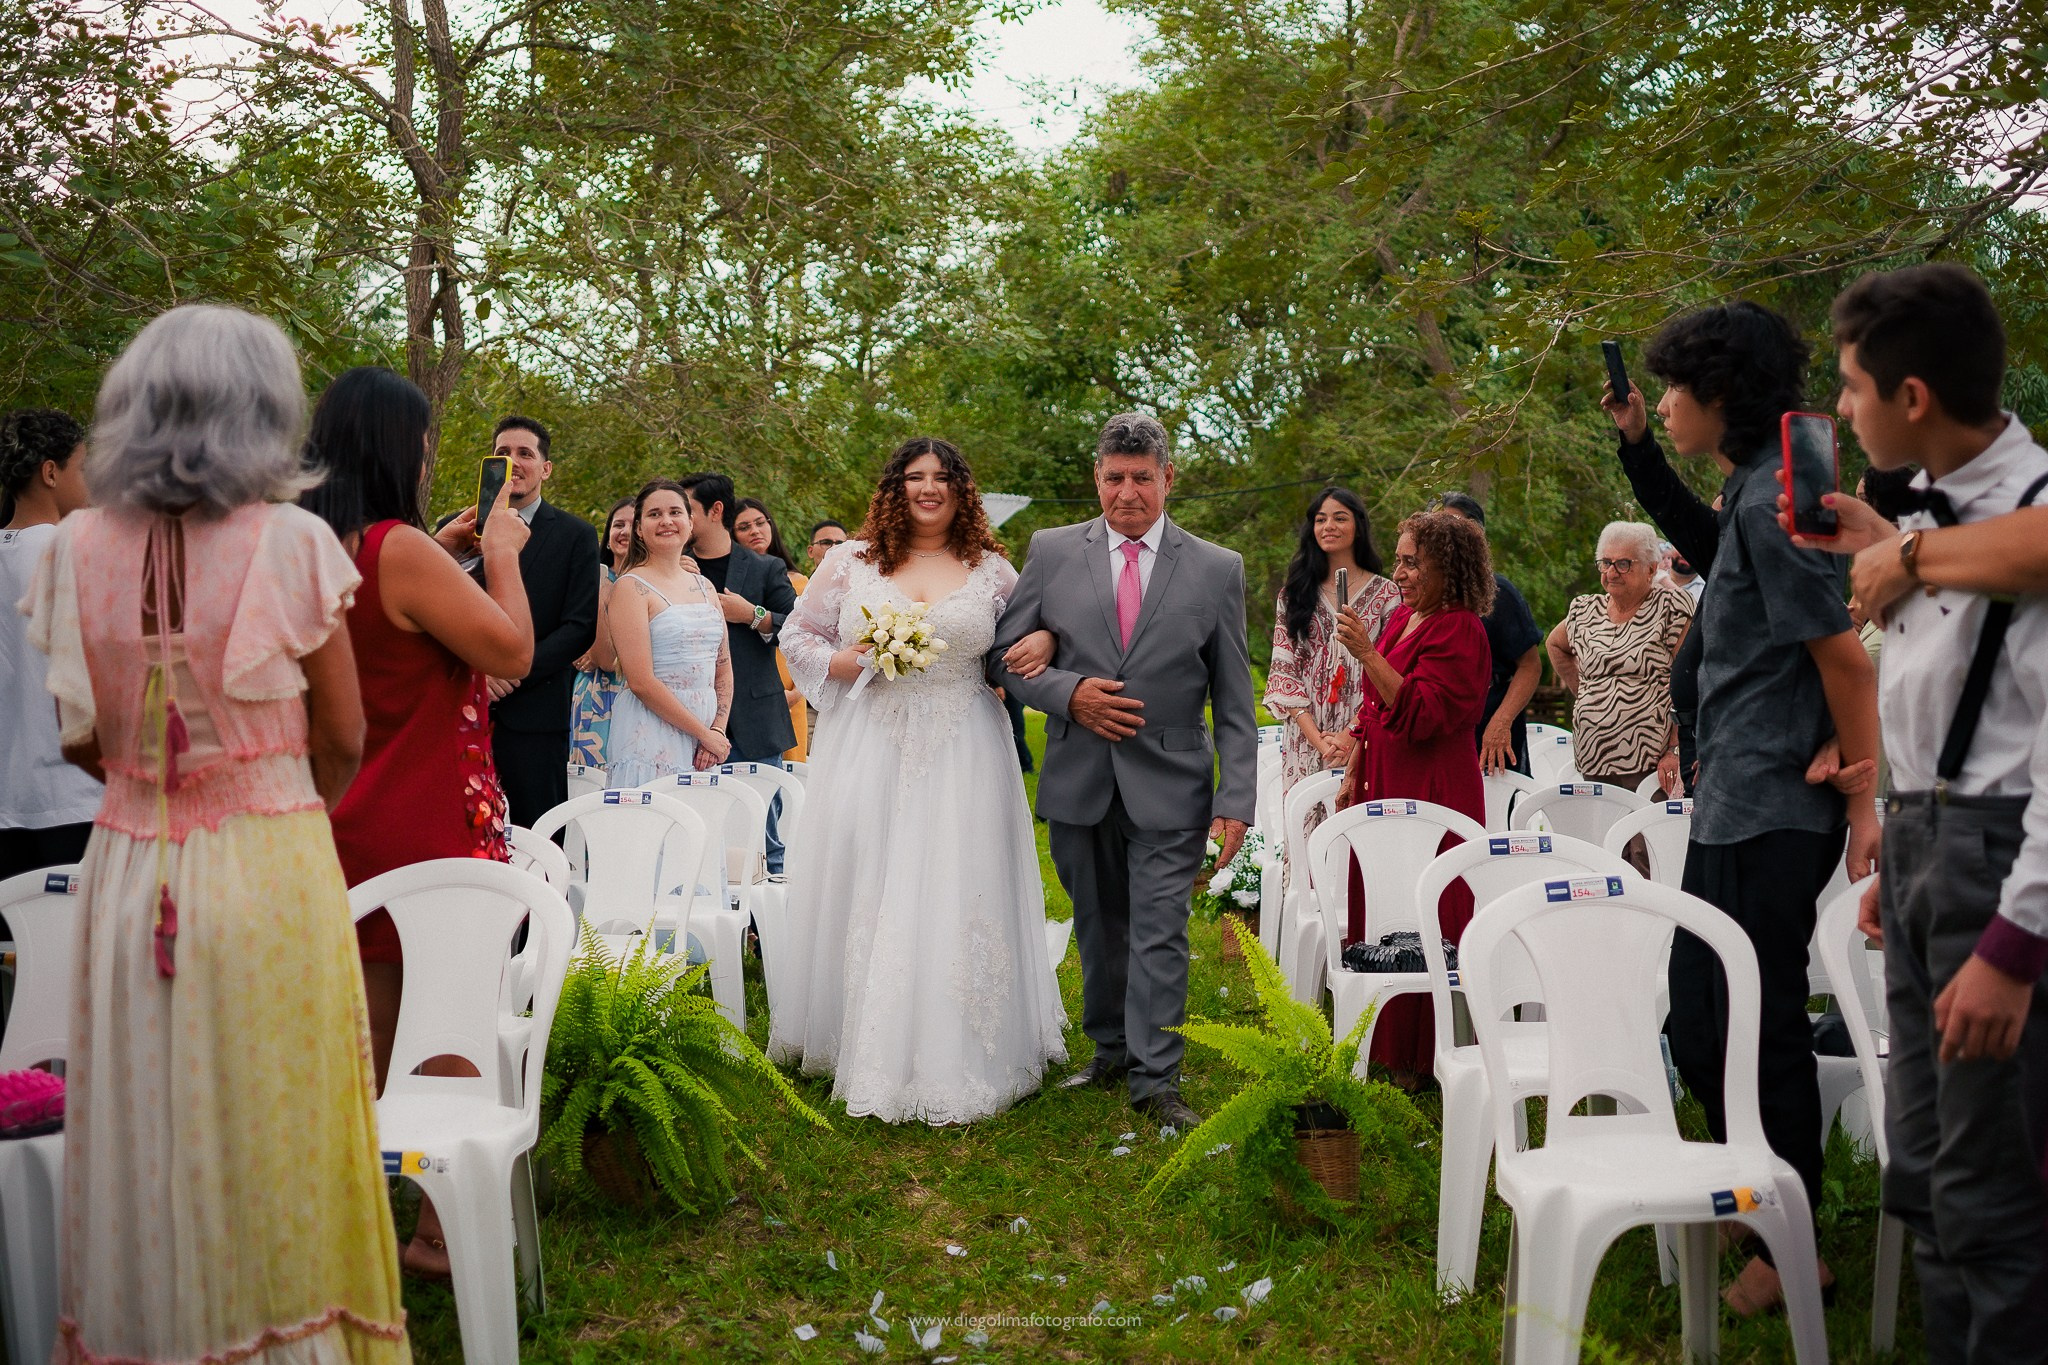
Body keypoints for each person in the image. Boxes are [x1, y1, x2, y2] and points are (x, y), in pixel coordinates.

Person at [23, 304, 408, 1363]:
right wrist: (275, 795)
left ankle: (160, 1331)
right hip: (269, 852)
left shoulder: (72, 547)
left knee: (148, 1119)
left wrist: (159, 788)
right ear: (263, 410)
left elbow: (84, 744)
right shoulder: (289, 541)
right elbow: (341, 732)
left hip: (127, 859)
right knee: (278, 1119)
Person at [1786, 264, 2048, 1358]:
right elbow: (1935, 712)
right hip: (1933, 843)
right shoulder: (1915, 530)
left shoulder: (2027, 514)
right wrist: (1895, 847)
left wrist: (2013, 939)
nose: (1840, 410)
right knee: (1928, 1180)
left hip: (2005, 862)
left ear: (1910, 399)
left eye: (1850, 388)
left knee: (1995, 1195)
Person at [1601, 298, 1880, 1313]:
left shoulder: (1777, 500)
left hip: (1774, 810)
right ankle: (1754, 1196)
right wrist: (1637, 448)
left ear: (1716, 395)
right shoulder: (1764, 486)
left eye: (1671, 391)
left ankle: (1787, 1245)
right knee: (1701, 1011)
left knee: (1752, 1025)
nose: (1663, 403)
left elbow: (1842, 657)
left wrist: (1862, 799)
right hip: (1734, 803)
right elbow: (1708, 548)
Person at [299, 365, 535, 1279]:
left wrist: (444, 551)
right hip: (425, 822)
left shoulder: (319, 545)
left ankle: (340, 1226)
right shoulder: (398, 547)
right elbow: (509, 646)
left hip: (344, 818)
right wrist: (503, 553)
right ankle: (440, 1233)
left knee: (366, 1038)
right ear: (403, 444)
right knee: (447, 1027)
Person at [772, 437, 1067, 1124]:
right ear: (895, 486)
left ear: (963, 489)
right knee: (874, 875)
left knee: (959, 880)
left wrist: (1047, 641)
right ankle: (865, 1036)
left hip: (966, 744)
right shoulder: (852, 561)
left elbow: (1039, 628)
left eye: (942, 478)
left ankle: (966, 1043)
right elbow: (798, 634)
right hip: (872, 743)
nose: (928, 488)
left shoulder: (990, 569)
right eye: (915, 477)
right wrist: (844, 663)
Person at [990, 412, 1258, 1132]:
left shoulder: (1217, 567)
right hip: (1080, 774)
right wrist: (1066, 692)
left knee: (1161, 929)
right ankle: (1110, 1049)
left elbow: (1235, 697)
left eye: (1143, 477)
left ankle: (1157, 1078)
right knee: (1099, 926)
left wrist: (1237, 798)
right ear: (1097, 479)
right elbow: (1003, 658)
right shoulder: (1050, 551)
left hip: (1172, 780)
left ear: (1169, 478)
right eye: (1115, 477)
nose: (1128, 491)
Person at [1332, 510, 1493, 1087]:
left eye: (1409, 561)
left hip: (1432, 793)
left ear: (1445, 568)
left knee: (1426, 911)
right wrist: (1354, 758)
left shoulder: (1461, 630)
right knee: (1387, 903)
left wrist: (1365, 654)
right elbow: (1378, 707)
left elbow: (1424, 714)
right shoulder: (1404, 617)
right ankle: (1385, 1045)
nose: (1397, 571)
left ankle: (1426, 1057)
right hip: (1386, 777)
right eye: (1398, 559)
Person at [433, 415, 599, 828]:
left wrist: (510, 670)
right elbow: (438, 614)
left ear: (545, 468)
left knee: (537, 835)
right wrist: (476, 674)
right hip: (460, 709)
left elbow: (579, 627)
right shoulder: (456, 530)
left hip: (536, 714)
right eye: (503, 453)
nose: (513, 461)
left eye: (525, 453)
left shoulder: (576, 535)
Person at [1262, 486, 1400, 890]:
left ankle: (1360, 941)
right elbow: (1284, 671)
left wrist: (1350, 734)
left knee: (1359, 838)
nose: (1329, 525)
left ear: (1358, 524)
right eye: (1321, 518)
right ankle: (1307, 940)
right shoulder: (1294, 595)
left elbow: (1387, 668)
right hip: (1307, 737)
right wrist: (1321, 742)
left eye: (1340, 517)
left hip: (1366, 733)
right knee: (1307, 839)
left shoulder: (1389, 595)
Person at [677, 472, 797, 866]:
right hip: (688, 719)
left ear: (715, 511)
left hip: (753, 719)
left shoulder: (766, 569)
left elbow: (797, 630)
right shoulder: (672, 568)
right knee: (695, 835)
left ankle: (763, 926)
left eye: (686, 510)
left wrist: (753, 614)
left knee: (763, 837)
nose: (677, 520)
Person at [1, 408, 101, 879]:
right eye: (81, 469)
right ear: (50, 472)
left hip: (8, 801)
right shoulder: (70, 553)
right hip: (72, 795)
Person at [1544, 520, 1692, 792]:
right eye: (1606, 562)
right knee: (1600, 835)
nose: (1612, 572)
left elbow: (1689, 680)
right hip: (1593, 757)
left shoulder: (1671, 608)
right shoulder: (1585, 610)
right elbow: (1554, 645)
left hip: (1651, 763)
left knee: (1643, 835)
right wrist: (1587, 692)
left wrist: (1675, 749)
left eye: (1623, 564)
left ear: (1651, 568)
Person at [603, 480, 733, 787]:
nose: (666, 521)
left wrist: (717, 731)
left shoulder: (705, 587)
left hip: (706, 739)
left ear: (689, 522)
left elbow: (723, 667)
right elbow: (641, 681)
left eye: (675, 512)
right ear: (638, 528)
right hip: (650, 731)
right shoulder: (630, 588)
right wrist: (702, 733)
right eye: (654, 514)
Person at [1432, 492, 1544, 776]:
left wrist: (1501, 722)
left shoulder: (1498, 592)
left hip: (1490, 727)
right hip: (1438, 727)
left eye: (1455, 525)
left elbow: (1530, 666)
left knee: (1492, 817)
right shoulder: (1420, 594)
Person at [734, 496, 810, 762]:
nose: (755, 531)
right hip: (748, 699)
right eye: (744, 527)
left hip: (792, 694)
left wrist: (799, 693)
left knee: (790, 783)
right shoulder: (729, 584)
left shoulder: (801, 582)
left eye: (759, 523)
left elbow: (812, 641)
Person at [570, 496, 634, 768]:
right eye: (618, 525)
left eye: (634, 524)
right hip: (595, 694)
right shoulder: (591, 578)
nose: (625, 531)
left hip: (638, 693)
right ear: (608, 538)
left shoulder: (658, 581)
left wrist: (599, 653)